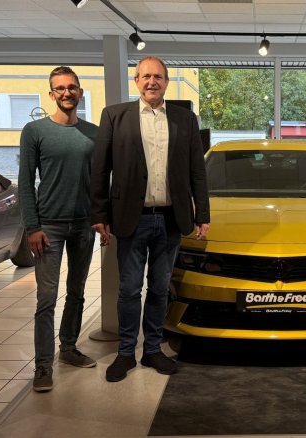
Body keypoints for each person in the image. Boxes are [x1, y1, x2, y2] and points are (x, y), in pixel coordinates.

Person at [90, 56, 210, 382]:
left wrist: (203, 214)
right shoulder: (115, 116)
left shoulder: (185, 120)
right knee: (129, 289)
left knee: (159, 288)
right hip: (132, 218)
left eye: (157, 76)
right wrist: (99, 213)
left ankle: (153, 350)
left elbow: (197, 171)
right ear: (136, 81)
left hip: (171, 218)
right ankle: (126, 353)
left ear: (167, 82)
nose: (151, 82)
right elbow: (100, 169)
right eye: (145, 76)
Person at [18, 66, 99, 393]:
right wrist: (32, 227)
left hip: (83, 224)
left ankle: (68, 348)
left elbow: (98, 183)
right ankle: (42, 365)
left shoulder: (94, 133)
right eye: (60, 88)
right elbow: (25, 182)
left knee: (78, 291)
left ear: (80, 92)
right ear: (52, 94)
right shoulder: (35, 131)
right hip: (48, 226)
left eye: (72, 87)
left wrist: (100, 218)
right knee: (47, 297)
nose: (67, 93)